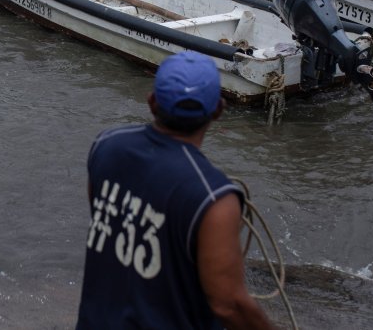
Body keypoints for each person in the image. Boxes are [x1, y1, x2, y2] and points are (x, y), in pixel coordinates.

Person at [77, 51, 275, 329]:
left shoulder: (106, 146)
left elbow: (108, 220)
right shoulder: (214, 197)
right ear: (217, 110)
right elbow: (227, 303)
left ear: (152, 102)